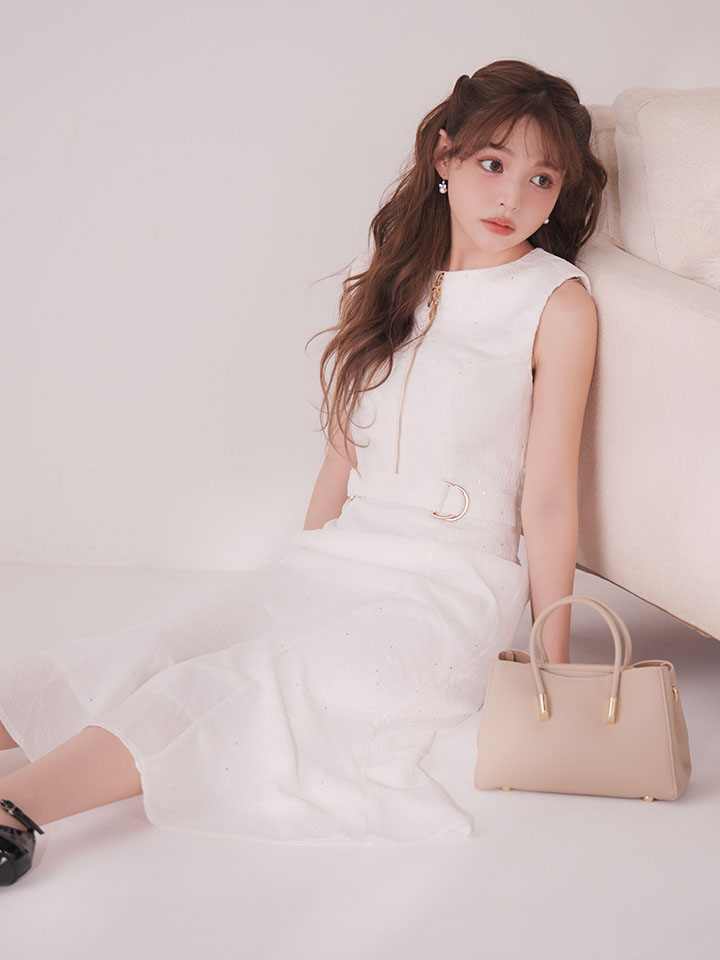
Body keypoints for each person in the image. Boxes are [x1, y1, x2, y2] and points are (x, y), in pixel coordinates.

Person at [0, 58, 606, 885]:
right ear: (445, 156)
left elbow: (549, 498)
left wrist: (552, 668)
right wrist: (288, 577)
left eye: (542, 179)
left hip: (448, 590)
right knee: (157, 647)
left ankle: (16, 807)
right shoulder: (387, 281)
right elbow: (340, 460)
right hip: (336, 560)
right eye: (493, 164)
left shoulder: (557, 302)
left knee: (241, 682)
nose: (512, 198)